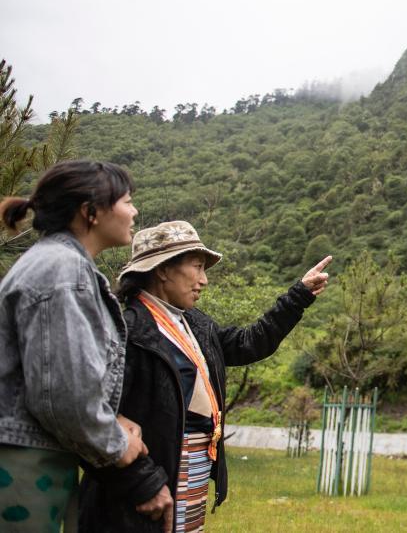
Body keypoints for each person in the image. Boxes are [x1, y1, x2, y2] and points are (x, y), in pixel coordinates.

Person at [77, 220, 331, 532]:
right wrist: (142, 482)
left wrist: (298, 296)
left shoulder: (195, 324)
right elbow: (91, 422)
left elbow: (247, 343)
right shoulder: (126, 331)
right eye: (197, 267)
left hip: (189, 481)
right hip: (142, 493)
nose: (204, 280)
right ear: (163, 270)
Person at [0, 160, 148, 532]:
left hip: (32, 456)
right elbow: (64, 395)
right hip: (22, 465)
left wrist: (108, 419)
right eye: (127, 201)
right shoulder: (63, 272)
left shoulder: (58, 264)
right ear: (90, 212)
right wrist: (117, 443)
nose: (134, 211)